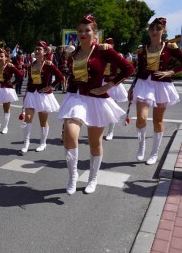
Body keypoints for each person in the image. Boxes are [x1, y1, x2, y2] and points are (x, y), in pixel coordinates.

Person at [57, 14, 134, 195]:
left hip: (95, 99)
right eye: (80, 31)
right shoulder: (74, 53)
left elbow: (128, 68)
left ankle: (92, 178)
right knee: (69, 132)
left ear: (95, 33)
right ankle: (72, 176)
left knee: (95, 142)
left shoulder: (103, 50)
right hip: (76, 97)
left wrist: (108, 86)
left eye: (87, 30)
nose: (83, 33)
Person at [128, 17, 182, 165]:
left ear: (164, 31)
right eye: (152, 29)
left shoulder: (170, 47)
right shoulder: (142, 49)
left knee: (158, 121)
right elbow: (139, 70)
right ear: (148, 31)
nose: (154, 31)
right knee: (141, 119)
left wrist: (171, 72)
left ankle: (154, 153)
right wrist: (132, 87)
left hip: (161, 86)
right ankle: (142, 145)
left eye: (158, 29)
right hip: (144, 84)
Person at [21, 41, 64, 153]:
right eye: (36, 49)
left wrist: (50, 87)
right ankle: (26, 143)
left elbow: (60, 77)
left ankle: (43, 143)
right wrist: (25, 95)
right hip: (31, 94)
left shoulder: (49, 64)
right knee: (28, 118)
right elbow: (29, 82)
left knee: (42, 121)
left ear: (45, 52)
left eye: (39, 49)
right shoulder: (31, 65)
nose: (37, 51)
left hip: (43, 96)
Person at [101, 38, 129, 141]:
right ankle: (100, 131)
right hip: (102, 83)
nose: (108, 46)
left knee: (112, 109)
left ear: (113, 46)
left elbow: (127, 69)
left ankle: (110, 132)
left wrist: (117, 78)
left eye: (110, 45)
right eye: (106, 44)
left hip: (113, 85)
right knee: (102, 109)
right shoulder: (100, 56)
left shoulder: (117, 56)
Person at [0, 48, 23, 134]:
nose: (0, 58)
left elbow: (20, 75)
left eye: (2, 56)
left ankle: (5, 127)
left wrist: (13, 83)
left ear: (6, 57)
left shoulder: (10, 66)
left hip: (6, 88)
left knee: (6, 108)